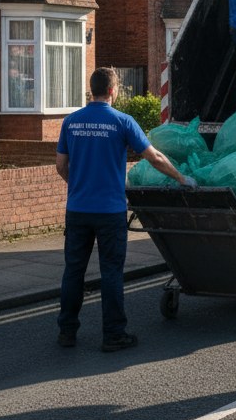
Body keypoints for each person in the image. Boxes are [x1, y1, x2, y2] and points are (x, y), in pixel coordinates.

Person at [55, 67, 194, 352]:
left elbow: (60, 166)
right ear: (113, 91)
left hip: (78, 209)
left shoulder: (71, 122)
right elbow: (153, 157)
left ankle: (67, 331)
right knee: (111, 273)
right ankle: (113, 334)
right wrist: (181, 178)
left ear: (90, 90)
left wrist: (79, 185)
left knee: (73, 272)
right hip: (110, 211)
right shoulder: (122, 122)